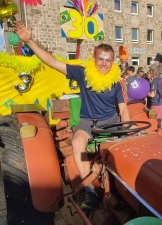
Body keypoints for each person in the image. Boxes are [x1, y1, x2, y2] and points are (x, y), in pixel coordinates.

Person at [14, 21, 131, 209]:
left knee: (127, 146)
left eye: (108, 60)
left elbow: (124, 109)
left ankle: (124, 186)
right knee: (77, 142)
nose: (104, 63)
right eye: (100, 58)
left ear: (112, 61)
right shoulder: (82, 73)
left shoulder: (116, 82)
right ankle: (89, 190)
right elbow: (52, 62)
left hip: (110, 121)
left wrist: (126, 131)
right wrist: (30, 41)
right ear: (93, 58)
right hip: (87, 121)